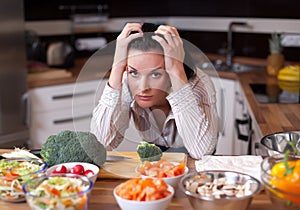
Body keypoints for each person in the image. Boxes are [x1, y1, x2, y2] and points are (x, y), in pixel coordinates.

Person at [90, 22, 219, 159]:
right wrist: (117, 66)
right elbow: (101, 144)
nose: (143, 88)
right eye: (134, 73)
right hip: (153, 151)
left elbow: (202, 153)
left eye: (155, 74)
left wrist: (176, 71)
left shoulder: (198, 85)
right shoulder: (126, 80)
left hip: (194, 159)